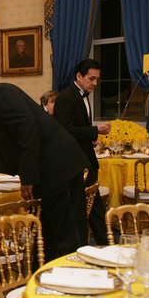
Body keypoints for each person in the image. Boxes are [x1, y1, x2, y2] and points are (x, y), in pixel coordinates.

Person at [0, 71, 89, 261]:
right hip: (52, 168)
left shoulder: (0, 94)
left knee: (68, 238)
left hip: (58, 167)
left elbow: (27, 127)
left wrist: (28, 177)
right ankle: (49, 280)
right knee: (50, 236)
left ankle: (76, 282)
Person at [53, 59, 111, 245]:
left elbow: (78, 128)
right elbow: (65, 130)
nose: (94, 83)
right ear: (79, 76)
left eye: (96, 79)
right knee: (90, 209)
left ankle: (104, 245)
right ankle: (104, 245)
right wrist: (95, 130)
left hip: (85, 158)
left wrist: (91, 138)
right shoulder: (66, 97)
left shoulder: (83, 95)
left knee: (94, 207)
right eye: (91, 78)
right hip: (74, 163)